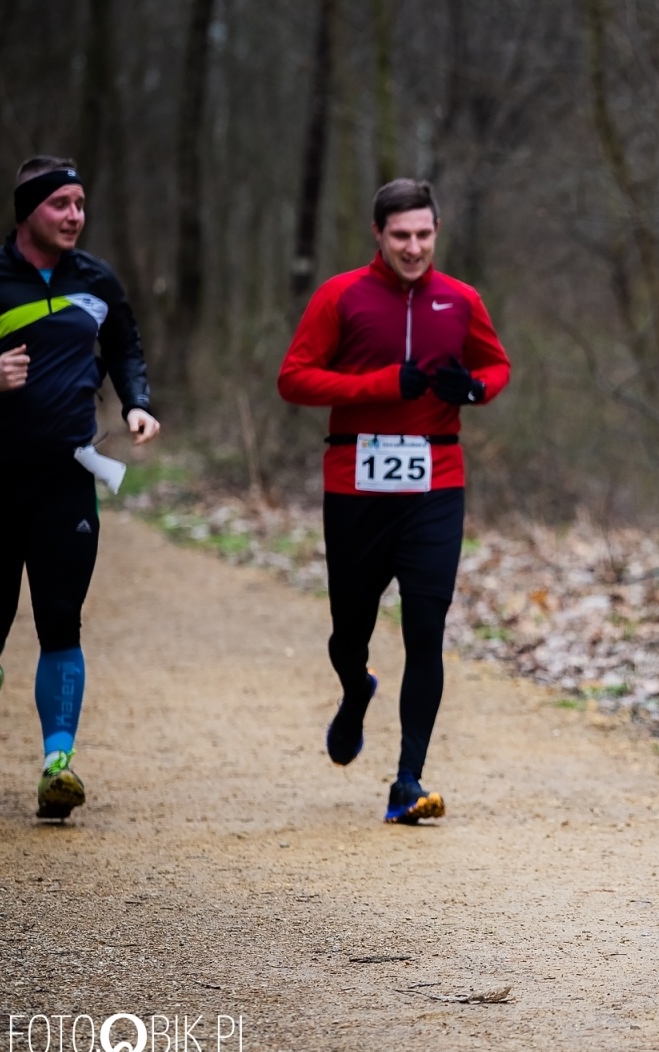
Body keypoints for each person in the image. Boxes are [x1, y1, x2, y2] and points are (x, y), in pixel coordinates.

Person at [277, 178, 510, 825]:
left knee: (426, 628)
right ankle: (356, 688)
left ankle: (408, 779)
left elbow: (497, 367)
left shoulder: (461, 299)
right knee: (349, 630)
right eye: (401, 235)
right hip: (356, 483)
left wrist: (472, 390)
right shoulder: (340, 295)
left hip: (435, 482)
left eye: (423, 234)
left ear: (437, 233)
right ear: (378, 234)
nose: (413, 247)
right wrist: (380, 384)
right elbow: (293, 379)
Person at [0, 156, 160, 820]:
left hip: (66, 477)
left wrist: (137, 403)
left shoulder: (96, 279)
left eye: (81, 204)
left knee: (60, 620)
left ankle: (57, 767)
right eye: (60, 204)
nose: (74, 216)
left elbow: (125, 347)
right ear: (28, 211)